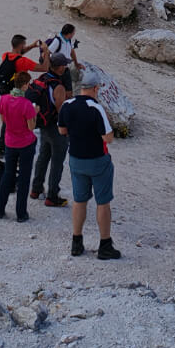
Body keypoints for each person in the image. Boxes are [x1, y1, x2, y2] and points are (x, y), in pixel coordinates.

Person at [58, 71, 121, 259]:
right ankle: (105, 245)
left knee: (79, 200)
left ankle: (76, 242)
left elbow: (62, 130)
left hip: (76, 158)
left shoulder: (67, 105)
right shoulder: (96, 108)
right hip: (97, 159)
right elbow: (108, 138)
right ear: (95, 88)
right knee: (103, 202)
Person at [0, 71, 40, 222]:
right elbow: (31, 127)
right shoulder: (27, 105)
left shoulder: (4, 99)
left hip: (10, 141)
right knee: (24, 178)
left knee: (8, 174)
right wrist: (35, 113)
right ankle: (21, 213)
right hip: (25, 143)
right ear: (25, 85)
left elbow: (3, 120)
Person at [29, 53, 73, 206]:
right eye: (65, 65)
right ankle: (52, 196)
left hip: (43, 125)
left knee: (43, 156)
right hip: (56, 127)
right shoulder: (58, 86)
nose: (66, 67)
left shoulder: (43, 78)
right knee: (57, 161)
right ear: (60, 67)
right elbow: (61, 110)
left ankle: (36, 188)